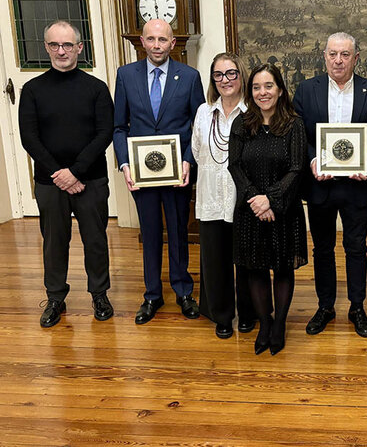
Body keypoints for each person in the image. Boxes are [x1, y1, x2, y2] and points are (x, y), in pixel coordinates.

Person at [18, 20, 114, 328]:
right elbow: (28, 138)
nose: (62, 51)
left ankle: (99, 294)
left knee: (95, 240)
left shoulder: (96, 88)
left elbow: (104, 134)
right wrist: (59, 174)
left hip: (91, 179)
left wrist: (75, 172)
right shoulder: (32, 90)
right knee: (53, 241)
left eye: (68, 45)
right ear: (46, 48)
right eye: (55, 45)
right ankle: (56, 297)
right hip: (50, 182)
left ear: (79, 48)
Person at [293, 32, 367, 338]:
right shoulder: (307, 90)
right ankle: (325, 306)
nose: (338, 60)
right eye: (333, 54)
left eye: (345, 54)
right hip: (321, 184)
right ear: (325, 56)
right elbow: (299, 136)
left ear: (356, 58)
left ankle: (357, 307)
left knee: (356, 248)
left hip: (358, 185)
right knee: (322, 248)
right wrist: (312, 161)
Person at [113, 19, 205, 324]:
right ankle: (152, 294)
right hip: (141, 173)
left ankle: (182, 291)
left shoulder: (189, 77)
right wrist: (125, 163)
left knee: (179, 231)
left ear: (173, 43)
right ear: (141, 41)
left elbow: (199, 126)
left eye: (162, 40)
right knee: (149, 233)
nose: (156, 45)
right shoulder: (126, 76)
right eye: (150, 39)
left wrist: (189, 160)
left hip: (178, 172)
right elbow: (119, 127)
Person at [228, 63, 308, 355]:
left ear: (280, 90)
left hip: (284, 209)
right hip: (250, 210)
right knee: (255, 269)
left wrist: (271, 200)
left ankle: (280, 324)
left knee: (283, 268)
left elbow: (297, 168)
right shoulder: (242, 124)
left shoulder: (293, 124)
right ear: (251, 92)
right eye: (256, 87)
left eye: (268, 86)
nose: (263, 93)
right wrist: (256, 200)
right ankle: (264, 323)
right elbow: (234, 165)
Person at [191, 52, 258, 339]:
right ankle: (221, 315)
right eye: (218, 75)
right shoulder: (203, 112)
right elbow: (196, 151)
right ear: (212, 79)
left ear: (241, 76)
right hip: (210, 198)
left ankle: (248, 312)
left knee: (245, 261)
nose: (225, 80)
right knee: (214, 261)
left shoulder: (254, 113)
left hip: (242, 200)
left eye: (231, 73)